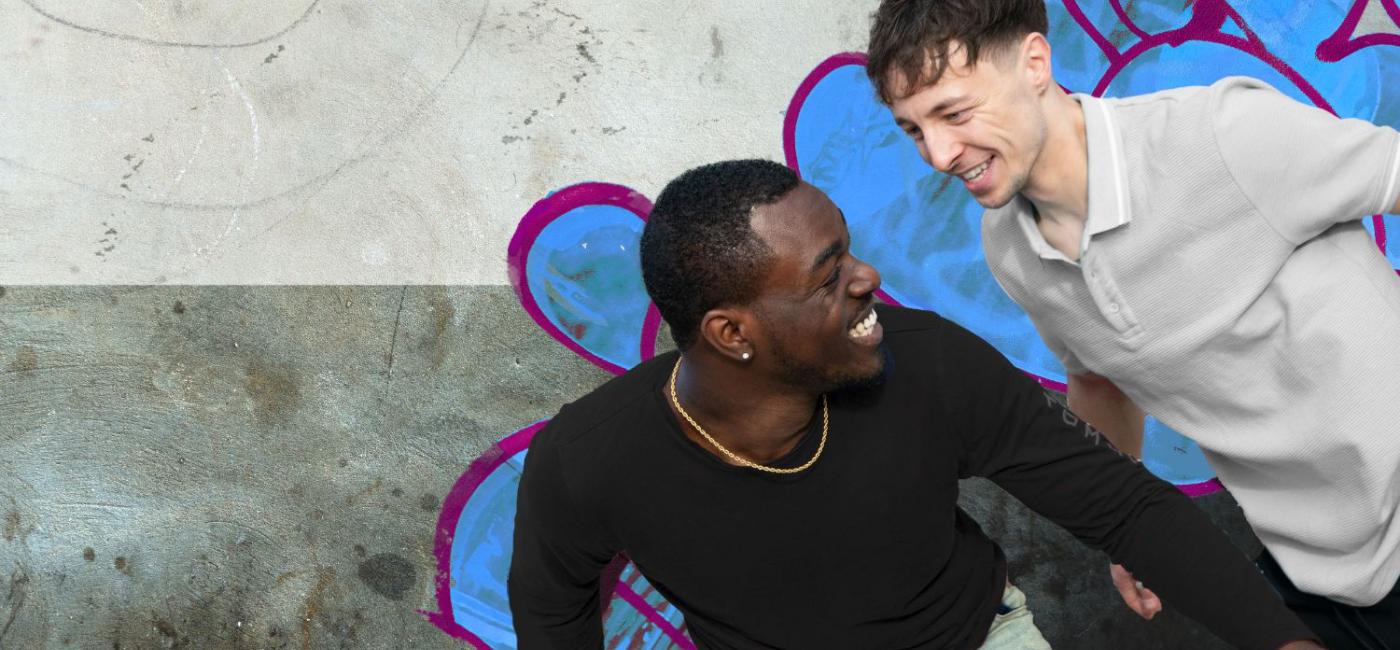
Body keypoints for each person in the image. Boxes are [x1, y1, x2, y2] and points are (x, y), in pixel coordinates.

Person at [507, 159, 1318, 649]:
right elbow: (552, 608)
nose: (865, 278)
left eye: (849, 251)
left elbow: (1123, 507)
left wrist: (1285, 642)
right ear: (732, 332)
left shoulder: (923, 360)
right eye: (828, 277)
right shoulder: (591, 461)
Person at [865, 1, 1400, 647]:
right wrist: (1126, 531)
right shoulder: (1008, 247)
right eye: (914, 130)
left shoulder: (1218, 134)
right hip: (1317, 568)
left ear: (1035, 63)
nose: (940, 154)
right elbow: (1100, 381)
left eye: (954, 112)